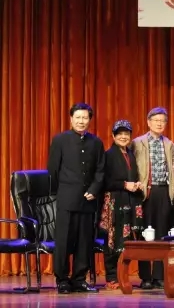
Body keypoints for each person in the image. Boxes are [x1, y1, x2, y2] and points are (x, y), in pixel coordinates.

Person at [47, 102, 105, 294]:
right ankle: (62, 280)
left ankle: (79, 279)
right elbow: (53, 170)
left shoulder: (96, 142)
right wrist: (62, 192)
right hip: (67, 199)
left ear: (90, 120)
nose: (81, 121)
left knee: (84, 242)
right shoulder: (60, 140)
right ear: (71, 118)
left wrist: (94, 189)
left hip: (88, 200)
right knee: (64, 241)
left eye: (85, 118)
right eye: (78, 117)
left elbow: (100, 170)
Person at [131, 107, 174, 290]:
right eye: (156, 120)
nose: (159, 123)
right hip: (144, 193)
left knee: (161, 234)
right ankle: (145, 276)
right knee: (144, 234)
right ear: (148, 122)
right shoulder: (137, 143)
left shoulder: (169, 144)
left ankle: (158, 276)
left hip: (163, 191)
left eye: (162, 121)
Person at [99, 120, 144, 290]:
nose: (123, 137)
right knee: (113, 240)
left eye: (126, 134)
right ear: (113, 136)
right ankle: (111, 277)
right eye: (120, 134)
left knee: (126, 240)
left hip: (129, 201)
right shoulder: (108, 155)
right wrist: (125, 184)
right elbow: (105, 181)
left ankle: (122, 275)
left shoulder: (130, 154)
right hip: (114, 202)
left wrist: (136, 184)